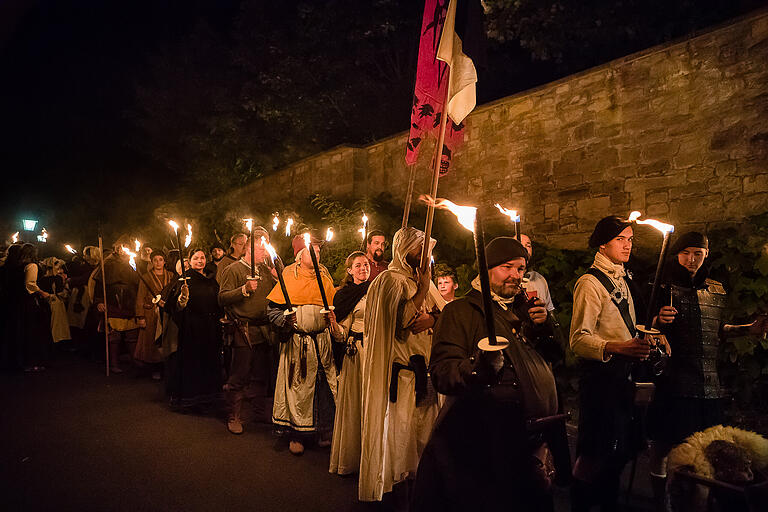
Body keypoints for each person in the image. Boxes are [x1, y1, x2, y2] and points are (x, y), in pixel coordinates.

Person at [413, 237, 563, 512]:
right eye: (507, 267)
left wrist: (545, 328)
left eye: (520, 269)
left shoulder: (526, 308)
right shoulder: (460, 311)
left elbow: (557, 357)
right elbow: (443, 372)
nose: (515, 276)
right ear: (486, 270)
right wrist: (476, 368)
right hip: (482, 444)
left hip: (529, 441)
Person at [646, 232, 768, 507]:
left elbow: (715, 331)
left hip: (708, 385)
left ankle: (700, 504)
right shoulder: (660, 287)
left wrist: (747, 330)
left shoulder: (715, 289)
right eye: (686, 252)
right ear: (677, 253)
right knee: (665, 447)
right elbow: (642, 329)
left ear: (706, 255)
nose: (691, 259)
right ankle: (660, 503)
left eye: (697, 254)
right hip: (673, 382)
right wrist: (657, 320)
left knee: (707, 452)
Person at [569, 216, 662, 512]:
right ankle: (580, 505)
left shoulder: (624, 277)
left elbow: (630, 325)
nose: (627, 245)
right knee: (595, 452)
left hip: (625, 378)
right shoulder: (590, 283)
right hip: (601, 381)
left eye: (630, 239)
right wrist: (620, 347)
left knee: (621, 451)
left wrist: (652, 333)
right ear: (603, 243)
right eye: (620, 239)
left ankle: (607, 502)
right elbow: (578, 340)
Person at [359, 227, 445, 504]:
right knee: (400, 435)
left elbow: (443, 313)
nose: (424, 256)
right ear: (403, 249)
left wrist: (432, 318)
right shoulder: (390, 280)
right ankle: (396, 492)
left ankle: (421, 489)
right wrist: (421, 290)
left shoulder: (423, 279)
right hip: (402, 372)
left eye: (427, 250)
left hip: (425, 369)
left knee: (423, 436)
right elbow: (401, 324)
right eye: (419, 249)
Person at [266, 232, 339, 455]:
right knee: (297, 390)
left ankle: (322, 431)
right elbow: (272, 311)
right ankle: (296, 434)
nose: (317, 253)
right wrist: (286, 321)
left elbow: (335, 305)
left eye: (318, 249)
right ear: (299, 255)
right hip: (299, 345)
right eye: (312, 249)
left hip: (322, 343)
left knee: (324, 387)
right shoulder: (288, 275)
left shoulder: (324, 276)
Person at [218, 226, 278, 435]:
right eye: (262, 249)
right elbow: (222, 298)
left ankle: (260, 412)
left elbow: (275, 295)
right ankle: (234, 415)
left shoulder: (265, 270)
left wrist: (278, 278)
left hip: (264, 330)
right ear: (250, 249)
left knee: (261, 375)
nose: (265, 252)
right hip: (243, 329)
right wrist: (243, 289)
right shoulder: (233, 270)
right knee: (240, 375)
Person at [164, 248, 223, 411]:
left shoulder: (211, 279)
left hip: (210, 327)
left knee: (209, 362)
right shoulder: (184, 279)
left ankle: (209, 398)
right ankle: (191, 399)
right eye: (196, 258)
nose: (200, 261)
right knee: (193, 363)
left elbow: (218, 299)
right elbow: (173, 305)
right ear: (189, 261)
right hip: (192, 327)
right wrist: (182, 300)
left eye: (202, 258)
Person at [329, 251, 370, 475]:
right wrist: (334, 324)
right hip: (357, 354)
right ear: (349, 270)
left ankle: (371, 454)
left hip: (376, 352)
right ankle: (353, 456)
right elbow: (341, 335)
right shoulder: (344, 295)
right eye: (358, 265)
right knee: (355, 403)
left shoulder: (377, 290)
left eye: (365, 264)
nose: (363, 268)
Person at [92, 236, 140, 374]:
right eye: (119, 246)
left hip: (130, 301)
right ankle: (113, 363)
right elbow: (99, 285)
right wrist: (99, 301)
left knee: (132, 334)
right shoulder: (108, 263)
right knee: (114, 335)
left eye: (124, 246)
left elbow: (138, 282)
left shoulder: (132, 262)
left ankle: (134, 361)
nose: (121, 249)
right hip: (113, 301)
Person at [134, 251, 173, 380]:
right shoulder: (145, 277)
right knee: (151, 341)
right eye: (155, 260)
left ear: (164, 261)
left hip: (166, 313)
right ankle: (154, 368)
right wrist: (140, 317)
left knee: (165, 340)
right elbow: (140, 297)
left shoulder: (171, 276)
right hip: (151, 314)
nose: (158, 262)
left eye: (160, 259)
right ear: (151, 262)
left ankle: (165, 368)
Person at [16, 244, 53, 371]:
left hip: (21, 301)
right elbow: (30, 284)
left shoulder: (18, 265)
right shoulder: (32, 266)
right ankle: (33, 362)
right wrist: (43, 293)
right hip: (29, 302)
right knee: (33, 330)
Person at [519, 233, 555, 313]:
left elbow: (549, 311)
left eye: (528, 246)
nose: (524, 249)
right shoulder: (505, 279)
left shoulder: (539, 278)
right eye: (519, 245)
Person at [39, 257, 71, 344]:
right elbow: (61, 293)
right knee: (58, 324)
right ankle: (58, 340)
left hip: (47, 303)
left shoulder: (41, 279)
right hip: (56, 303)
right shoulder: (57, 279)